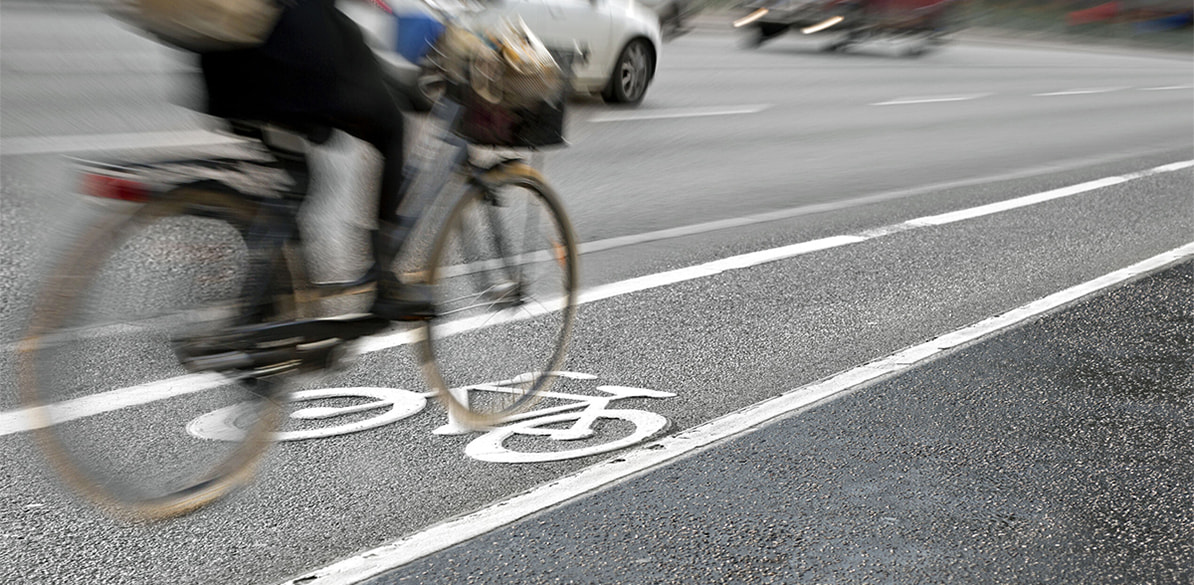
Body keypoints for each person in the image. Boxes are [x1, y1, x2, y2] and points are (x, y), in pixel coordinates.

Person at [199, 0, 434, 320]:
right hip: (287, 48)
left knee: (297, 177)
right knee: (391, 125)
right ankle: (385, 283)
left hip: (224, 58)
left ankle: (267, 307)